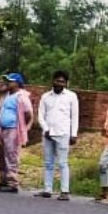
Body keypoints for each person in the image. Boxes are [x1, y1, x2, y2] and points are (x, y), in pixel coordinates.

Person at [36, 70, 79, 201]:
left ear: (66, 83)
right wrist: (46, 129)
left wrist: (74, 134)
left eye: (62, 81)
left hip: (63, 133)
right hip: (48, 134)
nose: (59, 83)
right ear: (53, 81)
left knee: (62, 163)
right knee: (48, 163)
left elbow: (74, 116)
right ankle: (47, 189)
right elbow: (40, 116)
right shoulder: (45, 97)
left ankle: (64, 191)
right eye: (57, 81)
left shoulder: (71, 96)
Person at [0, 72, 34, 194]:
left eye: (10, 81)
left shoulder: (21, 97)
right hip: (3, 128)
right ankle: (3, 180)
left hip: (13, 129)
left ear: (17, 83)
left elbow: (28, 114)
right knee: (1, 156)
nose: (7, 83)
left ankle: (12, 183)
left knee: (11, 155)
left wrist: (23, 127)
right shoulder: (6, 96)